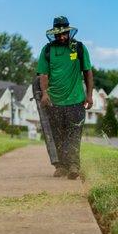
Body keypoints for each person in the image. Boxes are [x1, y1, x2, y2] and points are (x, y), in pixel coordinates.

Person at [37, 16, 93, 179]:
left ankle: (74, 165)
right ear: (54, 34)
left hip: (76, 100)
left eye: (64, 34)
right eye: (58, 34)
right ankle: (61, 166)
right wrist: (45, 93)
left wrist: (89, 95)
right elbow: (43, 74)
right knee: (57, 135)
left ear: (69, 32)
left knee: (74, 134)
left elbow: (88, 72)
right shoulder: (47, 50)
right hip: (54, 102)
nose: (61, 37)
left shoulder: (79, 48)